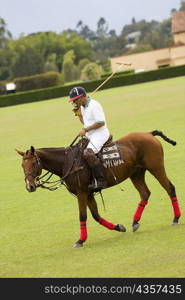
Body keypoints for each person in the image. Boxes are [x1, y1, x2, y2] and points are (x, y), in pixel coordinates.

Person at [69, 86, 110, 192]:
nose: (74, 102)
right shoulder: (82, 107)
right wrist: (79, 115)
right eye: (73, 101)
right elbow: (86, 122)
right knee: (77, 152)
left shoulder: (94, 105)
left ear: (82, 97)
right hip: (91, 135)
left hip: (100, 134)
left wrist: (85, 130)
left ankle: (101, 180)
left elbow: (101, 123)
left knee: (88, 153)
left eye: (75, 100)